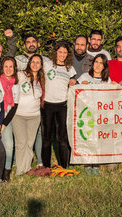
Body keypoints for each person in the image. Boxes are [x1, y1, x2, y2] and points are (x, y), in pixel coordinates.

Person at [13, 33, 47, 168]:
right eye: (28, 42)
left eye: (34, 41)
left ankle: (35, 161)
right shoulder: (20, 70)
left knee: (34, 138)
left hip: (36, 111)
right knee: (21, 139)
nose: (31, 44)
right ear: (24, 45)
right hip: (20, 112)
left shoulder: (44, 69)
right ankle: (18, 162)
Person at [7, 55, 44, 175]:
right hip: (19, 114)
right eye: (33, 62)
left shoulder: (41, 79)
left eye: (38, 62)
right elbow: (7, 81)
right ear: (29, 63)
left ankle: (26, 167)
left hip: (35, 116)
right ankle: (20, 170)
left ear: (41, 65)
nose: (35, 64)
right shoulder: (21, 75)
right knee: (21, 142)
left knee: (29, 143)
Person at [42, 41, 76, 169]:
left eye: (64, 53)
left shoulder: (70, 69)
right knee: (47, 138)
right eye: (60, 52)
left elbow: (74, 81)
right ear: (55, 52)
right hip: (48, 105)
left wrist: (74, 80)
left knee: (62, 138)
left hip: (62, 105)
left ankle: (64, 166)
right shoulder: (47, 64)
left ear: (68, 54)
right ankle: (46, 166)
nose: (62, 55)